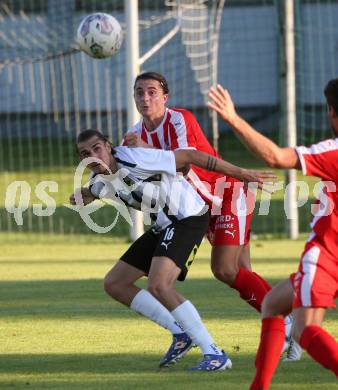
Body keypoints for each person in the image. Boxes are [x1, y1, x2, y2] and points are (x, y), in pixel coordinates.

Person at [123, 71, 299, 363]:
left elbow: (183, 163)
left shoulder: (179, 119)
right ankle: (291, 325)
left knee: (225, 269)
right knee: (241, 272)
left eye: (152, 92)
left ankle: (286, 325)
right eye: (139, 92)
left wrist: (145, 151)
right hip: (199, 207)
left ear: (165, 97)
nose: (145, 98)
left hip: (227, 194)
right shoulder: (134, 134)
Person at [70, 129, 273, 371]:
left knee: (159, 285)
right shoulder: (98, 181)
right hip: (165, 224)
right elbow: (94, 190)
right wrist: (84, 195)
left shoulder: (136, 158)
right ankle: (181, 333)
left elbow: (190, 155)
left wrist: (242, 173)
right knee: (115, 283)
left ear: (108, 145)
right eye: (86, 154)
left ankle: (214, 354)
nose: (93, 156)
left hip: (188, 217)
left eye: (97, 148)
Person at [207, 80, 338, 388]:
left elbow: (276, 158)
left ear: (332, 112)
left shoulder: (333, 151)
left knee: (305, 331)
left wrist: (233, 118)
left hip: (327, 255)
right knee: (272, 305)